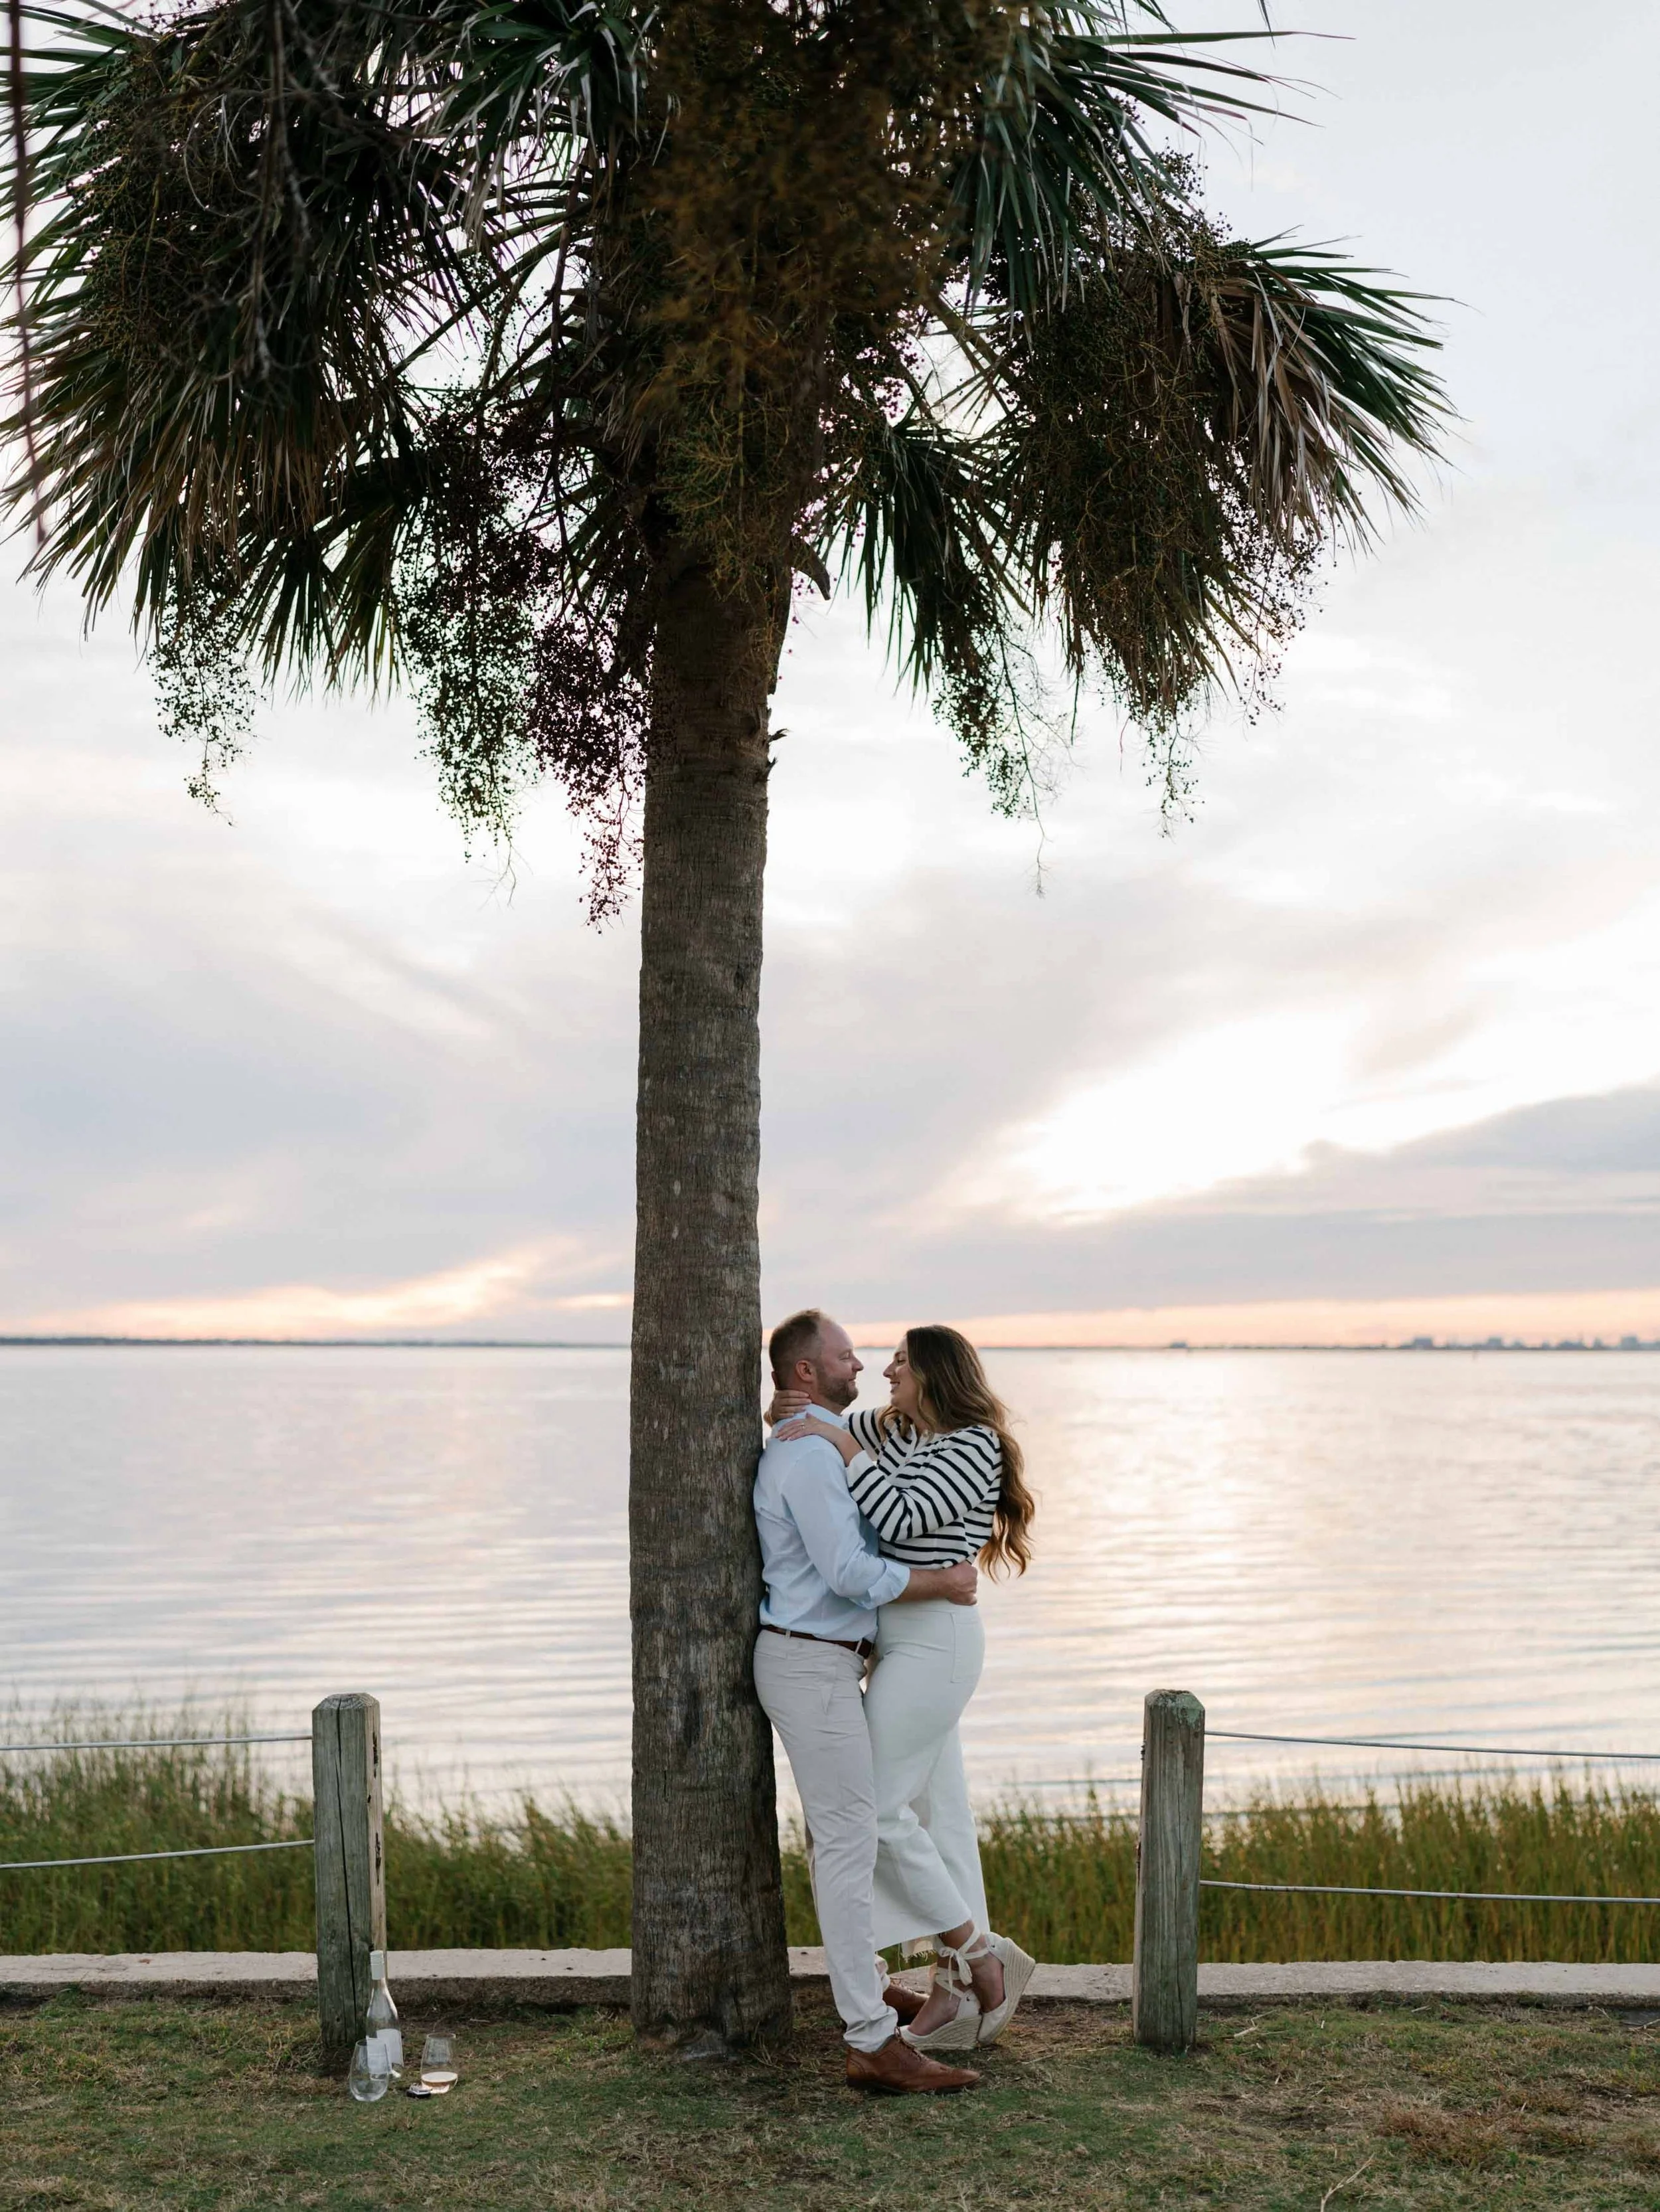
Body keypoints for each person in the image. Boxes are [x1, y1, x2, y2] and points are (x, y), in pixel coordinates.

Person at [773, 1323, 1037, 2051]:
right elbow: (822, 1421)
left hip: (935, 1647)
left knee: (878, 1811)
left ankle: (977, 1955)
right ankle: (954, 1992)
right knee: (938, 1815)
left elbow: (899, 1515)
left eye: (899, 1361)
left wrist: (842, 1446)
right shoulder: (899, 1433)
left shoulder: (970, 1444)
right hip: (897, 1644)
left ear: (933, 1373)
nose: (886, 1368)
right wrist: (792, 1412)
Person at [752, 1308, 984, 2094]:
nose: (869, 1368)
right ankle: (875, 2031)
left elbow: (884, 1475)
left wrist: (803, 1415)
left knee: (859, 1835)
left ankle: (877, 1993)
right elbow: (853, 1572)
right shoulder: (813, 1456)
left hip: (839, 1661)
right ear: (810, 1371)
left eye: (884, 1360)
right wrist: (938, 1581)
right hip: (814, 1663)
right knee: (854, 1839)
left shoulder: (835, 1437)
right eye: (850, 1356)